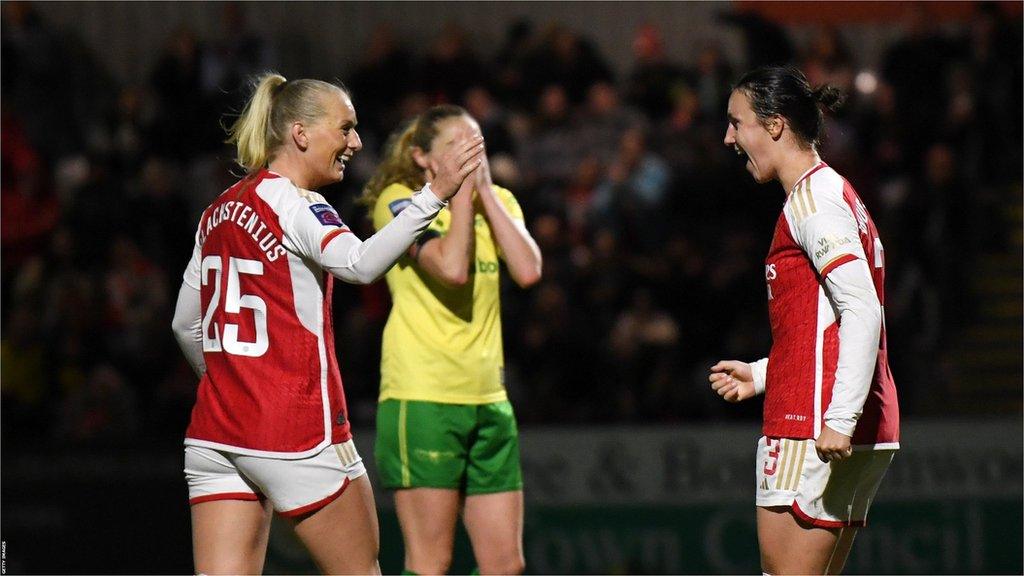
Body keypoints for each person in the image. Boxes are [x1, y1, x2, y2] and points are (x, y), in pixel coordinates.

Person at [170, 73, 484, 574]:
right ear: (301, 134)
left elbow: (185, 326)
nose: (356, 143)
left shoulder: (216, 211)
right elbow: (359, 263)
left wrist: (229, 383)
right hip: (294, 434)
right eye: (345, 129)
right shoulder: (296, 205)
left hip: (215, 433)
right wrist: (434, 194)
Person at [708, 66, 899, 575]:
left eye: (736, 122)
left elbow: (861, 309)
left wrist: (839, 419)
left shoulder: (813, 202)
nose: (728, 137)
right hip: (831, 408)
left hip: (813, 422)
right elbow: (827, 320)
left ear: (773, 125)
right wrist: (765, 374)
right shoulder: (832, 195)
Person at [361, 105, 542, 575]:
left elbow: (528, 270)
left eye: (477, 144)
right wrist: (461, 195)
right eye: (458, 147)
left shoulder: (498, 198)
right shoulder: (398, 201)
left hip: (489, 398)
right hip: (422, 398)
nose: (472, 154)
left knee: (507, 565)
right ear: (422, 157)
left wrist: (484, 192)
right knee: (431, 563)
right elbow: (453, 269)